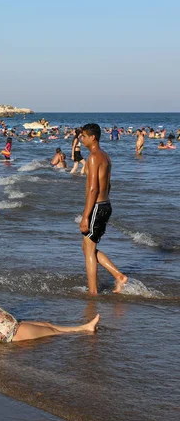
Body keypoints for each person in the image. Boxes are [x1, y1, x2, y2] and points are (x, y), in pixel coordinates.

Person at [0, 258, 100, 346]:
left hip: (10, 327)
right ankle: (84, 329)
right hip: (9, 333)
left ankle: (84, 327)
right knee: (52, 332)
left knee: (47, 324)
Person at [79, 123, 128, 295]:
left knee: (89, 249)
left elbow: (93, 188)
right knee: (87, 248)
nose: (81, 138)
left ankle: (93, 292)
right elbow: (109, 185)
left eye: (83, 136)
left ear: (93, 137)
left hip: (97, 206)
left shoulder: (93, 157)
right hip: (105, 205)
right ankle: (118, 276)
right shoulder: (106, 156)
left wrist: (86, 216)